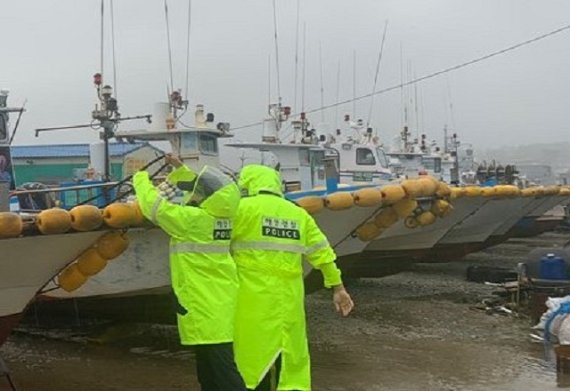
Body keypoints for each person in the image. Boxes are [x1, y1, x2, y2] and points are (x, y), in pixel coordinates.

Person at [231, 164, 355, 391]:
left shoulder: (241, 208)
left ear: (249, 184)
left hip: (251, 298)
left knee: (252, 358)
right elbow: (323, 254)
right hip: (290, 298)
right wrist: (338, 288)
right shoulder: (299, 215)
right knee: (290, 357)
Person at [133, 154, 246, 391]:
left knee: (222, 369)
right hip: (221, 299)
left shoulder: (194, 220)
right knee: (210, 367)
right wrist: (179, 170)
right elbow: (200, 187)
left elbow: (155, 208)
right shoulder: (225, 217)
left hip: (202, 301)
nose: (197, 195)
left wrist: (140, 179)